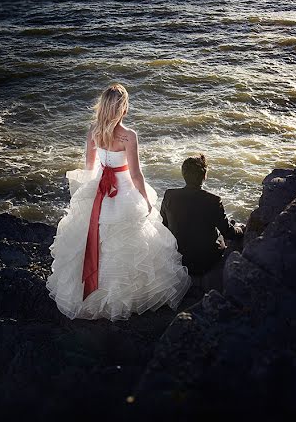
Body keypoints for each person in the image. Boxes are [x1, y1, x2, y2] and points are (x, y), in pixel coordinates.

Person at [46, 83, 191, 321]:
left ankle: (91, 294)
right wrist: (146, 200)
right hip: (123, 190)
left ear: (103, 106)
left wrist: (93, 194)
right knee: (131, 243)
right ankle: (123, 298)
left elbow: (90, 168)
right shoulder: (128, 136)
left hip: (100, 189)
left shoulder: (94, 130)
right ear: (123, 109)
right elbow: (135, 175)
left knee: (96, 239)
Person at [160, 154, 245, 289]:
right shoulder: (213, 200)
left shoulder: (169, 195)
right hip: (205, 260)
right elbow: (228, 233)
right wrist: (242, 230)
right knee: (227, 232)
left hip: (178, 257)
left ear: (183, 174)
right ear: (204, 176)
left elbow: (164, 225)